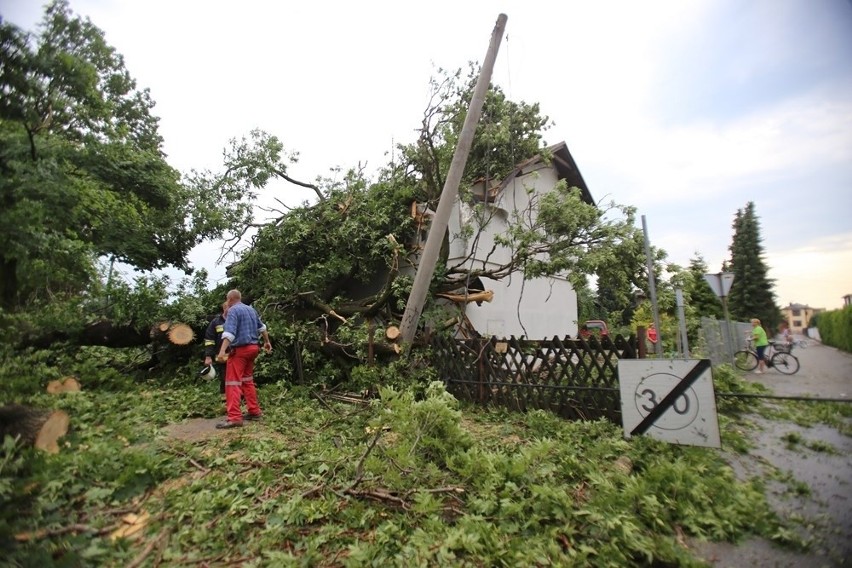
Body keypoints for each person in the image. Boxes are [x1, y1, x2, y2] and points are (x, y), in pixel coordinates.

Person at [215, 289, 272, 429]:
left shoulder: (233, 311)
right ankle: (254, 411)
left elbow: (229, 333)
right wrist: (267, 342)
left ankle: (234, 418)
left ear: (229, 299)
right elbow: (262, 328)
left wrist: (222, 351)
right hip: (253, 349)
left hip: (240, 350)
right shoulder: (251, 310)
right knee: (247, 380)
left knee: (232, 383)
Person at [203, 302, 229, 399]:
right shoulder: (216, 322)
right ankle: (224, 398)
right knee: (224, 377)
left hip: (235, 354)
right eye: (229, 308)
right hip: (221, 355)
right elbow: (209, 340)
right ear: (224, 308)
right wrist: (208, 356)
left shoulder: (236, 320)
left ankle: (240, 398)